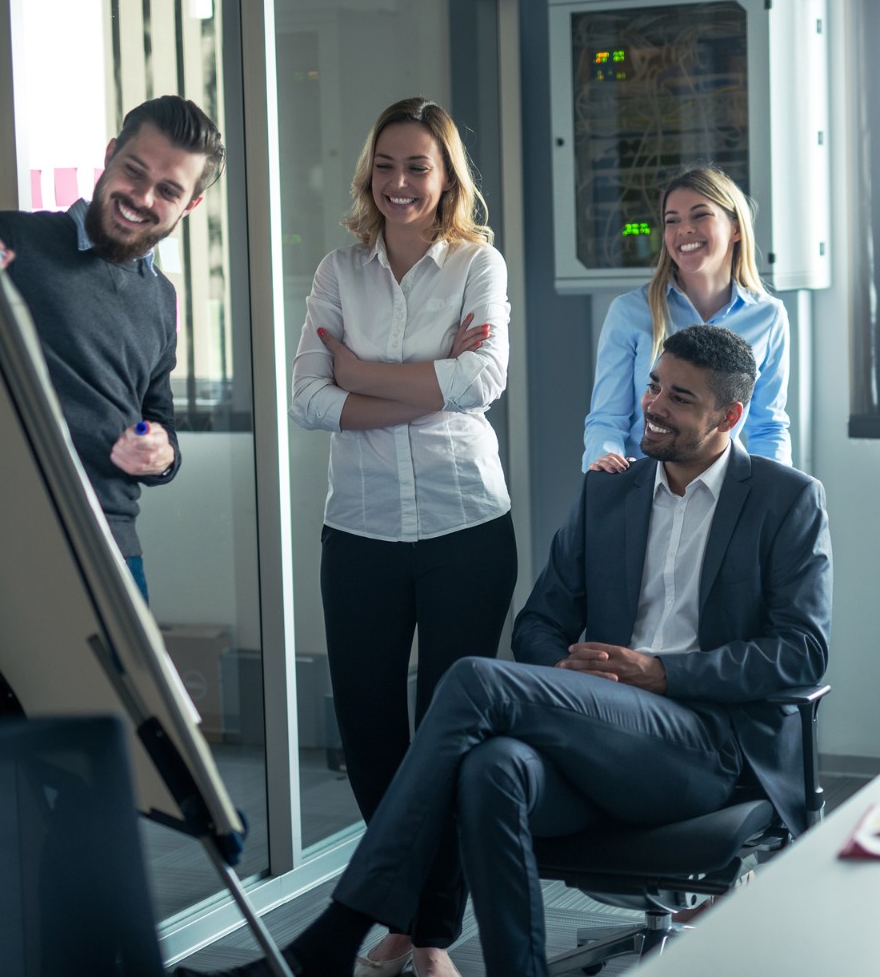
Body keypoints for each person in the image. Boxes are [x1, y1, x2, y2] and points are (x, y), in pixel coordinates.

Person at [281, 324, 832, 977]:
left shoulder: (786, 499)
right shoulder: (609, 493)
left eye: (680, 398)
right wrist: (572, 678)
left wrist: (659, 673)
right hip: (596, 732)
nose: (653, 405)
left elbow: (802, 653)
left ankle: (340, 928)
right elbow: (539, 623)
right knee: (494, 768)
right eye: (653, 385)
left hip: (703, 746)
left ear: (730, 415)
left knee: (476, 682)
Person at [289, 97, 517, 977]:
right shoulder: (337, 273)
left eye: (418, 166)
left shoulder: (476, 264)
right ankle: (400, 912)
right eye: (385, 166)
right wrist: (426, 381)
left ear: (446, 176)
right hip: (361, 533)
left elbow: (484, 379)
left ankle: (429, 936)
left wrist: (362, 376)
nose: (399, 183)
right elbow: (309, 399)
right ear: (368, 174)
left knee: (449, 735)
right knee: (374, 733)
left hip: (466, 522)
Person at [0, 95, 224, 602]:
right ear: (111, 153)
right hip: (7, 536)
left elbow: (157, 418)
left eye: (167, 190)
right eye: (134, 171)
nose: (141, 197)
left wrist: (160, 454)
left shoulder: (161, 297)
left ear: (190, 205)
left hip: (112, 543)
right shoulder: (15, 241)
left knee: (129, 683)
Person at [582, 165, 791, 473]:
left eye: (699, 215)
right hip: (642, 484)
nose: (684, 229)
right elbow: (607, 420)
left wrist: (775, 496)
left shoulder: (768, 317)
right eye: (672, 220)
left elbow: (768, 428)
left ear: (735, 227)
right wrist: (603, 469)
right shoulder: (630, 312)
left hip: (721, 491)